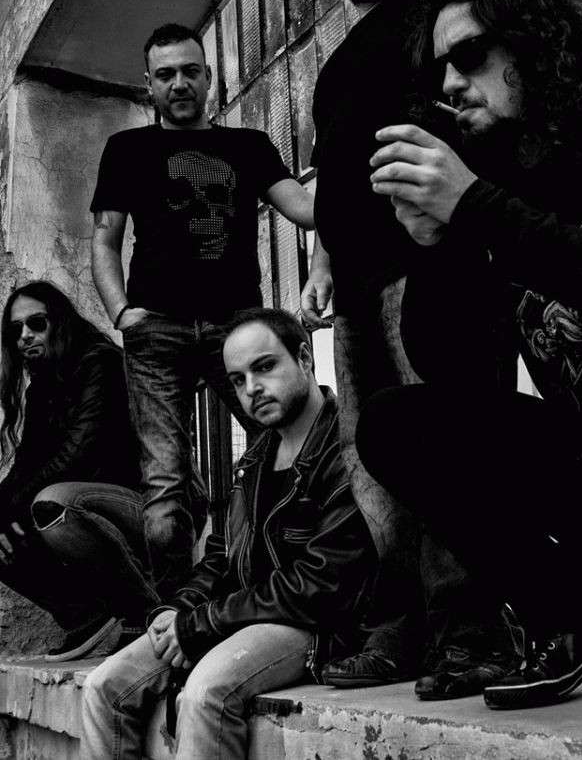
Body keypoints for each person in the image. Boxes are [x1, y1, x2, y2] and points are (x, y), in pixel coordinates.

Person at [359, 0, 582, 708]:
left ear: (531, 43)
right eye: (441, 70)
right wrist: (438, 244)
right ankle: (578, 615)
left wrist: (474, 207)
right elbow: (448, 369)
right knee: (395, 424)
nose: (453, 84)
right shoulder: (500, 186)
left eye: (469, 55)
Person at [300, 0, 510, 694]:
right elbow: (334, 177)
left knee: (451, 451)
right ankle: (404, 630)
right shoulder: (332, 71)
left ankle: (471, 633)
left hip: (433, 268)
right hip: (355, 291)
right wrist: (321, 262)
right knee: (374, 469)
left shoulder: (440, 8)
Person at [80, 307, 376, 760]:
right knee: (103, 685)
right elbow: (222, 554)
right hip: (242, 615)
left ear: (304, 358)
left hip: (318, 626)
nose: (251, 388)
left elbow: (322, 585)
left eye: (264, 367)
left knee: (205, 693)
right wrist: (178, 609)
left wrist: (203, 624)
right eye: (238, 380)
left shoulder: (346, 448)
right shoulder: (256, 458)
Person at [91, 24, 315, 599]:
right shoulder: (126, 150)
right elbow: (105, 239)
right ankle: (175, 612)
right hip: (154, 329)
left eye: (190, 71)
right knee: (164, 489)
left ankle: (289, 580)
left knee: (287, 443)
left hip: (235, 327)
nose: (179, 83)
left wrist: (351, 188)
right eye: (165, 74)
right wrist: (121, 313)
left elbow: (307, 210)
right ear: (149, 84)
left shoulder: (248, 146)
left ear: (209, 77)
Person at [0, 281, 160, 662]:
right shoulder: (41, 389)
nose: (25, 336)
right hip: (92, 509)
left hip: (147, 507)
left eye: (37, 323)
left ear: (60, 322)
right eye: (16, 329)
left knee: (52, 502)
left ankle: (141, 610)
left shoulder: (99, 362)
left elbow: (77, 456)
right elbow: (26, 466)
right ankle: (83, 614)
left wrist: (11, 508)